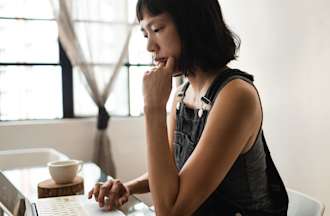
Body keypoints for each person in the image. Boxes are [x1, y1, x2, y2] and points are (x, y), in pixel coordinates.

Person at [88, 0, 289, 215]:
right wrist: (128, 187)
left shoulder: (235, 96)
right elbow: (174, 173)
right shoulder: (183, 94)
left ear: (192, 24)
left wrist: (153, 108)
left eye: (157, 29)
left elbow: (170, 212)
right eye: (146, 34)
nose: (149, 47)